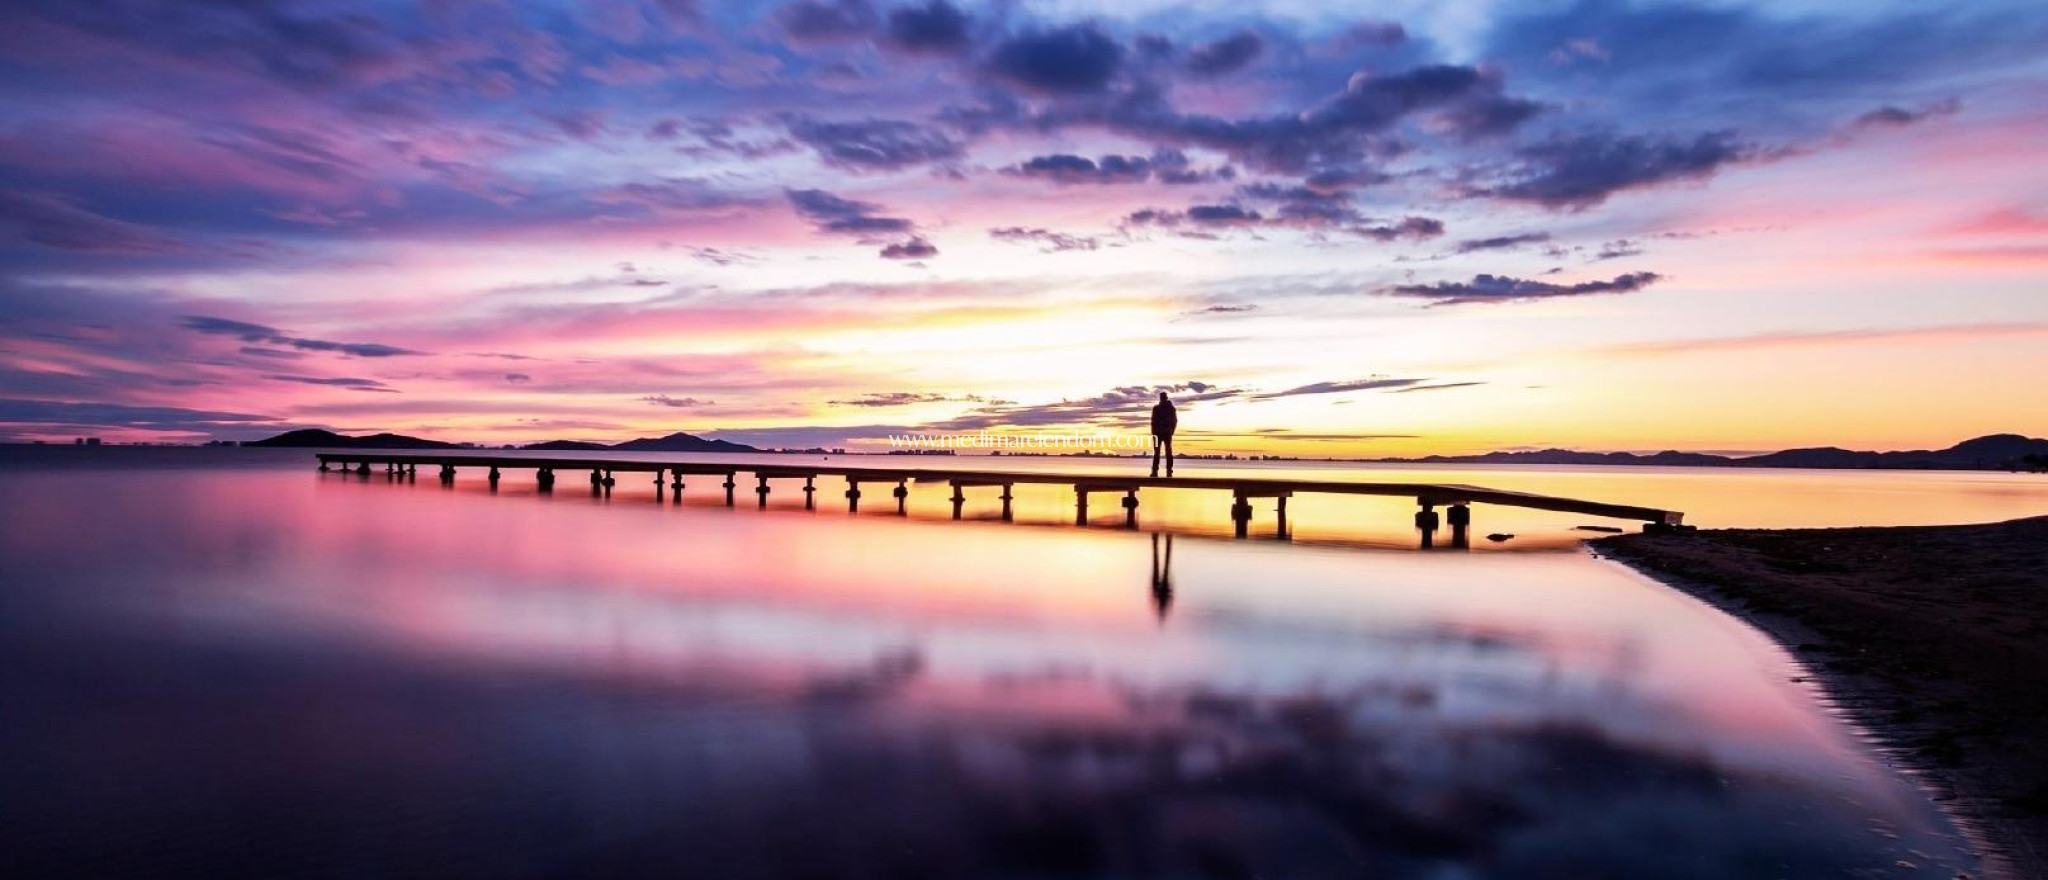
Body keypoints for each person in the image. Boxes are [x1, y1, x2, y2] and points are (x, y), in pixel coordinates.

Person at [1149, 391, 1177, 477]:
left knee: (1163, 452)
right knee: (1163, 452)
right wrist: (1171, 431)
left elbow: (1174, 421)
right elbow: (1153, 421)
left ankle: (1163, 470)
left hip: (1163, 432)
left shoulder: (1169, 408)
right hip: (1162, 433)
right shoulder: (1160, 408)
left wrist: (1171, 431)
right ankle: (1161, 471)